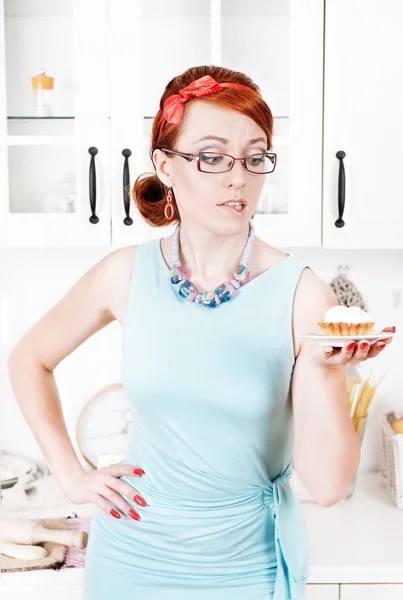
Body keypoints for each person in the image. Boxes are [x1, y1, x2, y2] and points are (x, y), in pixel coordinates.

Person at [8, 65, 394, 600]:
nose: (239, 177)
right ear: (165, 165)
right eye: (211, 157)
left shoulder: (303, 296)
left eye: (255, 157)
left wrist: (328, 370)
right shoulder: (125, 274)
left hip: (246, 566)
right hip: (131, 557)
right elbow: (29, 357)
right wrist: (72, 475)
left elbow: (328, 488)